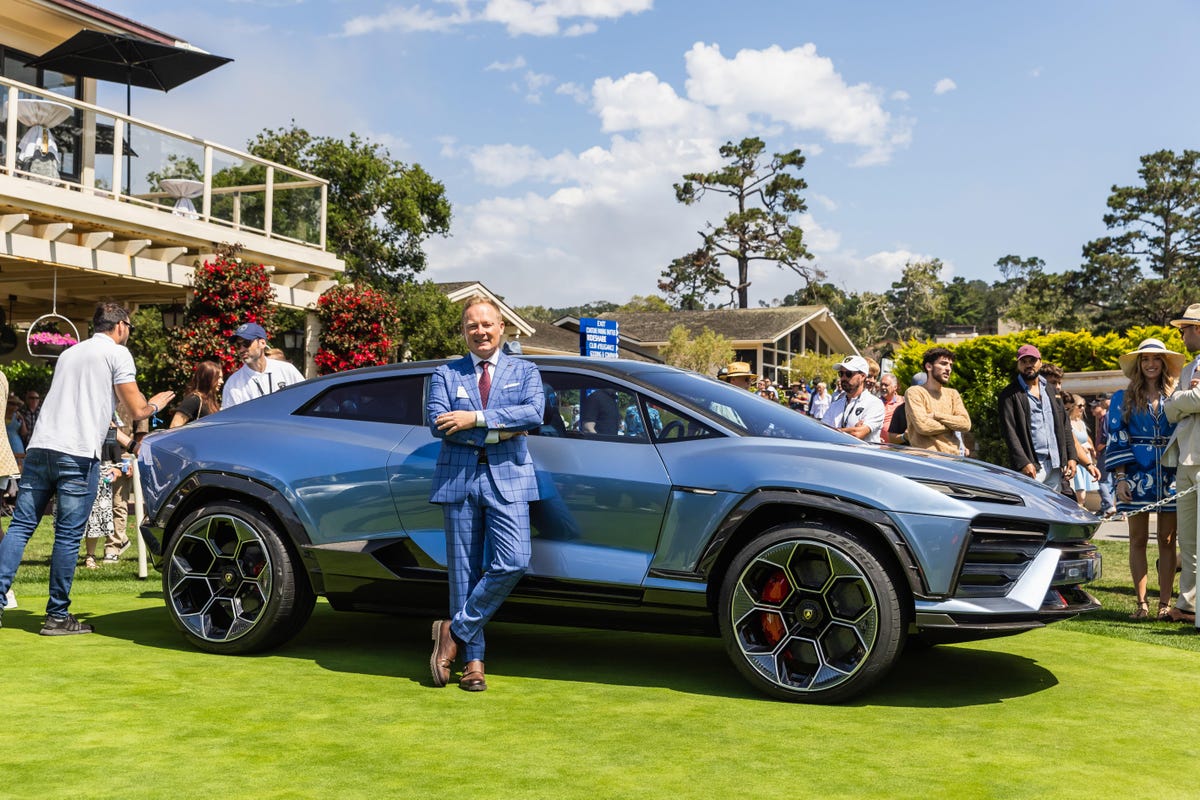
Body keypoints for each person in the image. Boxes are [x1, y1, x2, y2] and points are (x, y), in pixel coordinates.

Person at [0, 303, 174, 634]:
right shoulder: (118, 354)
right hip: (77, 453)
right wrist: (156, 404)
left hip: (40, 448)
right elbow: (137, 409)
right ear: (121, 326)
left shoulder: (70, 353)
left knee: (21, 526)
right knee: (66, 535)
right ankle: (57, 616)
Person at [426, 295, 543, 691]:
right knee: (463, 574)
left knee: (514, 561)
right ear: (464, 331)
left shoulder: (525, 371)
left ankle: (453, 632)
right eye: (472, 325)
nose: (480, 331)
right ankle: (473, 663)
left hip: (509, 480)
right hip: (457, 480)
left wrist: (473, 419)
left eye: (487, 324)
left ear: (502, 328)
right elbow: (439, 424)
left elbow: (534, 414)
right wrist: (503, 431)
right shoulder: (445, 373)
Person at [1108, 338, 1181, 621]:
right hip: (1136, 475)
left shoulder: (1177, 395)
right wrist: (1121, 479)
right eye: (1145, 359)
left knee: (1167, 539)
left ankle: (1164, 603)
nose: (1150, 364)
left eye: (1156, 358)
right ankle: (1141, 604)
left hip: (1171, 474)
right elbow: (1117, 438)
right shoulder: (1122, 397)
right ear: (1139, 364)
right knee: (1137, 539)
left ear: (1164, 363)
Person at [997, 344, 1078, 489]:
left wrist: (1071, 457)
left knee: (1053, 509)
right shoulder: (1009, 395)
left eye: (1032, 361)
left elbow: (1065, 426)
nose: (1029, 365)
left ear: (1040, 362)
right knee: (1031, 510)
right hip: (1032, 467)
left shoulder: (1052, 390)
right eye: (1024, 361)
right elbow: (1009, 432)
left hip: (1055, 465)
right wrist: (1023, 462)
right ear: (1018, 365)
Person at [1164, 304, 1200, 627]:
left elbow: (1196, 400)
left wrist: (1183, 401)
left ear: (1198, 328)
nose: (1181, 336)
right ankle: (1187, 605)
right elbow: (1170, 408)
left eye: (1184, 330)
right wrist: (1182, 400)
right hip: (1185, 460)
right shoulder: (1188, 370)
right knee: (1187, 540)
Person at [902, 347, 971, 454]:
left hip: (954, 458)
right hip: (927, 460)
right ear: (929, 366)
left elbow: (965, 424)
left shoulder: (953, 394)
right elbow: (923, 427)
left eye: (950, 365)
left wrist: (936, 415)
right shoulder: (915, 392)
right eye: (943, 364)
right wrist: (952, 426)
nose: (948, 369)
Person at [222, 322, 305, 408]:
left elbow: (306, 398)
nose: (241, 349)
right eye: (238, 345)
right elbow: (230, 419)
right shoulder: (233, 384)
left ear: (262, 343)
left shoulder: (287, 370)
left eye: (246, 343)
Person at [821, 355, 885, 442]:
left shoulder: (874, 404)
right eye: (841, 373)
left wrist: (834, 431)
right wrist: (851, 430)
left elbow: (857, 434)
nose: (843, 378)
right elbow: (821, 432)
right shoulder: (836, 404)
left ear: (862, 376)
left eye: (848, 374)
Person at [1063, 392, 1100, 508]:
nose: (1082, 408)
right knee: (1079, 488)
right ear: (1072, 406)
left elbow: (1087, 438)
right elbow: (1071, 441)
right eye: (1080, 405)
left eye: (1084, 406)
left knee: (1084, 489)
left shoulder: (1081, 423)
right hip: (1076, 459)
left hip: (1086, 458)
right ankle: (1080, 507)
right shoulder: (1067, 422)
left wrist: (1093, 450)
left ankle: (1081, 506)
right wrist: (1082, 448)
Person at [171, 361, 224, 428]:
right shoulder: (194, 399)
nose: (222, 381)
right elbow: (174, 426)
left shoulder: (211, 401)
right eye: (218, 377)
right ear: (208, 378)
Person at [1090, 394, 1117, 516]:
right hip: (1111, 451)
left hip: (1106, 451)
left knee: (1101, 480)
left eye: (1102, 401)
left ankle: (1109, 506)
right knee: (1110, 481)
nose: (1100, 404)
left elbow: (1105, 437)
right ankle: (1109, 508)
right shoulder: (1111, 414)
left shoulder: (1107, 416)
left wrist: (1098, 449)